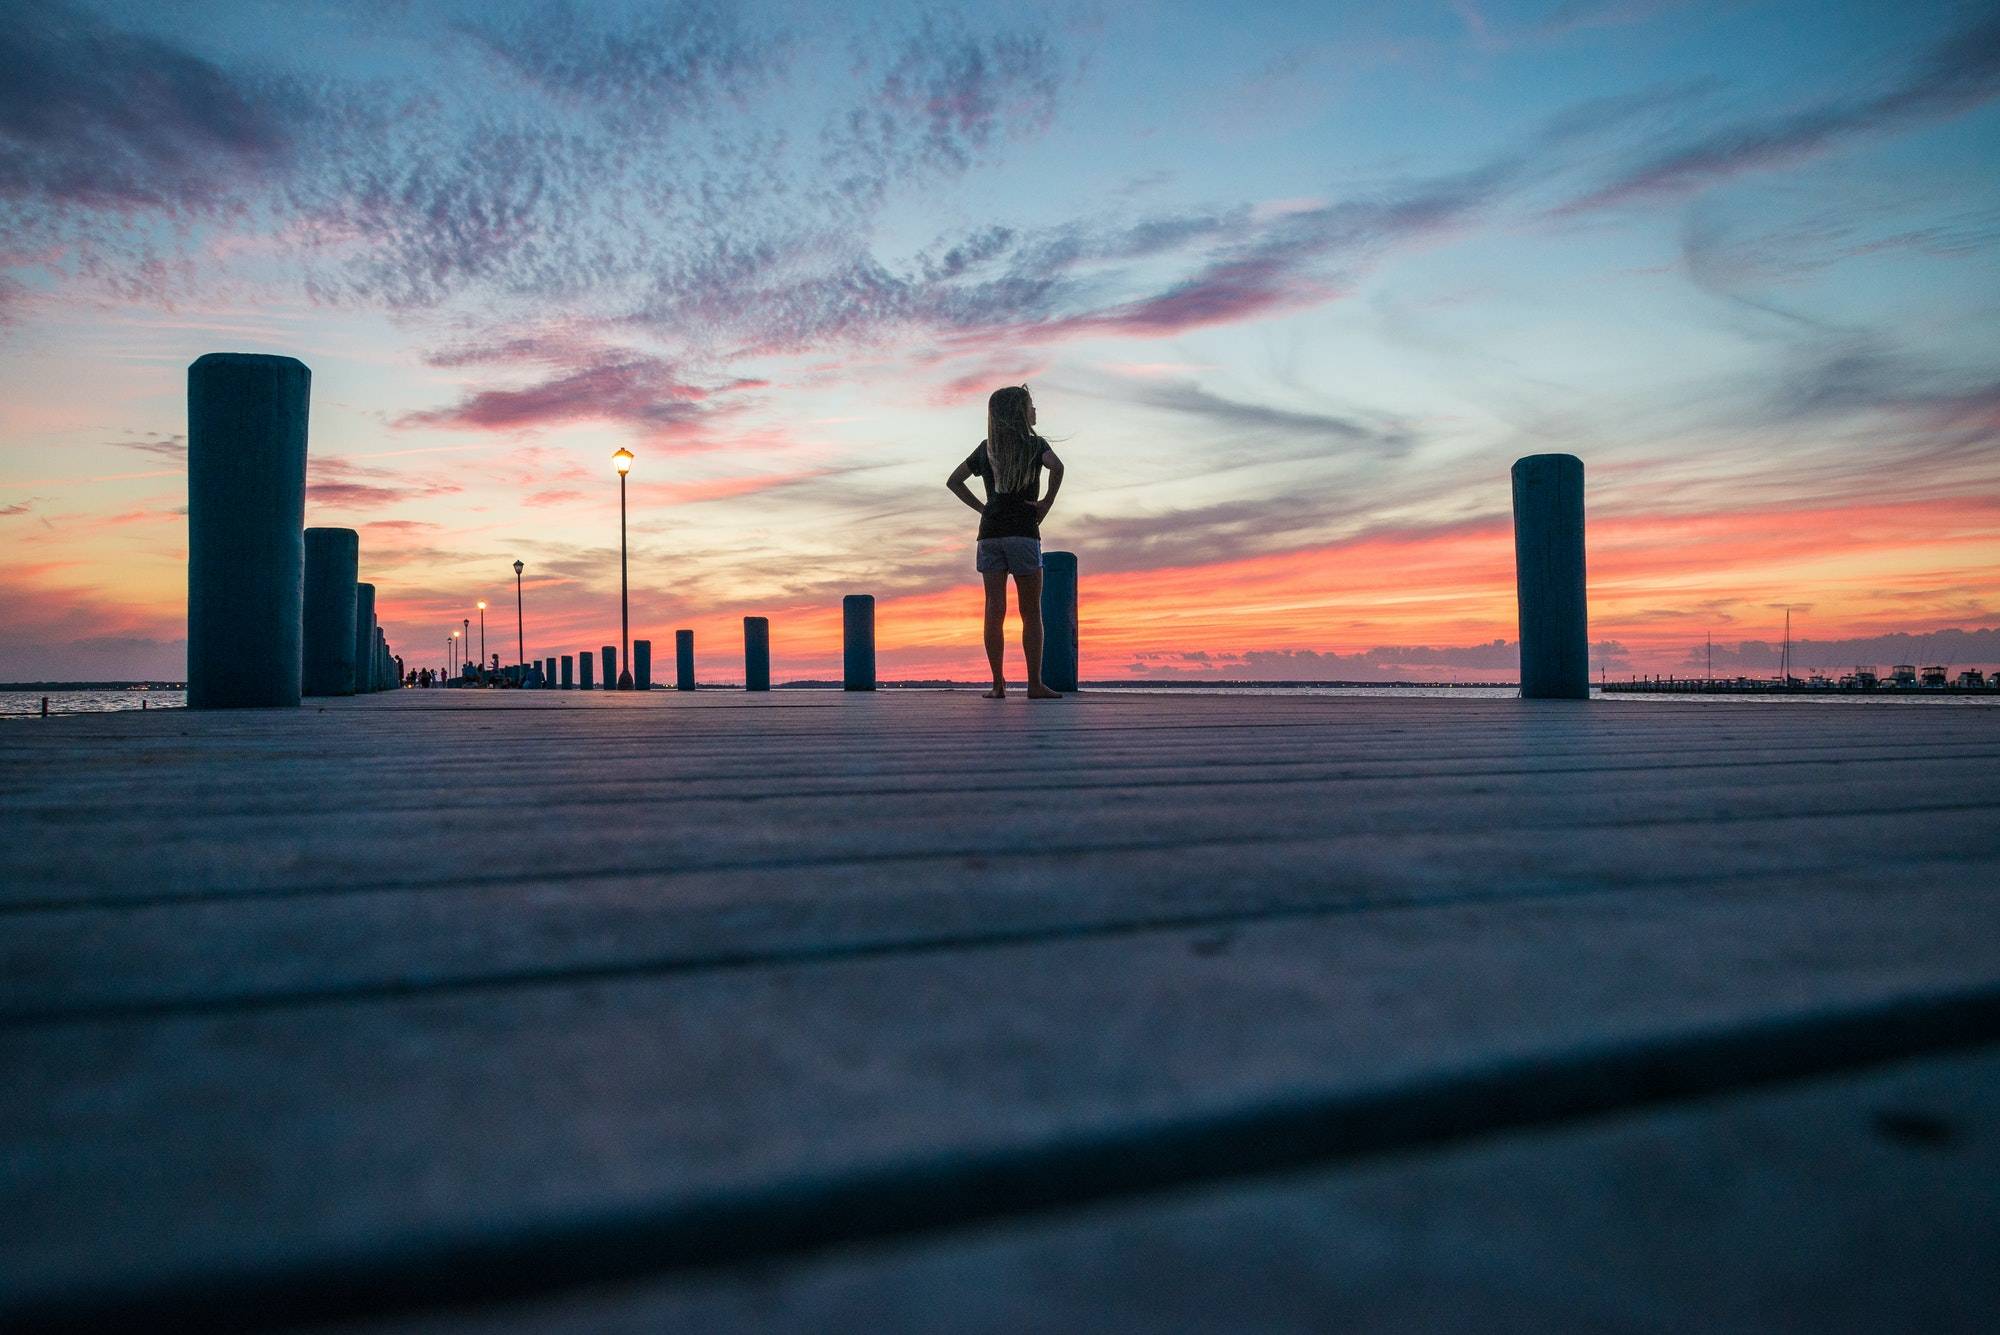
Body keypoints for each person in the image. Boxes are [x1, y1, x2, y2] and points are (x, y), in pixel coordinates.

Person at [946, 384, 1066, 698]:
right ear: (1020, 412)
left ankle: (998, 684)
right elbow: (1058, 467)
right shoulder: (1035, 445)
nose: (1035, 411)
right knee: (1030, 612)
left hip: (990, 535)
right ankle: (1034, 684)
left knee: (994, 611)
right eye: (1031, 405)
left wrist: (984, 508)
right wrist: (1046, 503)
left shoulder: (986, 448)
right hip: (1023, 534)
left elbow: (953, 481)